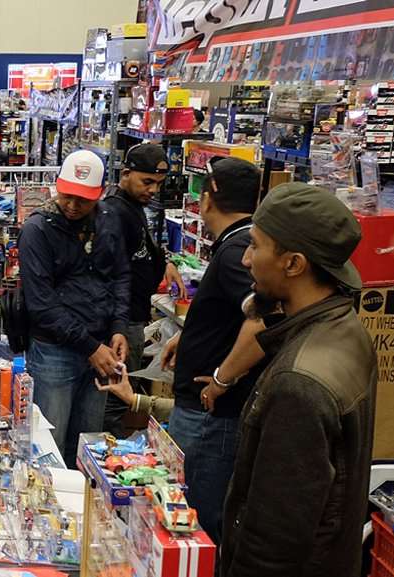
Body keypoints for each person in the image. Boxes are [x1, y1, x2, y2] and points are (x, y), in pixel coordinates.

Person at [219, 183, 376, 577]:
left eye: (255, 246)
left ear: (293, 264)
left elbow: (273, 543)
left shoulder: (299, 383)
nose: (246, 260)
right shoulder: (345, 327)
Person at [157, 157, 266, 544]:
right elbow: (233, 316)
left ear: (206, 200)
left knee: (195, 525)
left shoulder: (238, 250)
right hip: (207, 414)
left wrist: (222, 378)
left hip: (211, 418)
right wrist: (187, 337)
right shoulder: (239, 244)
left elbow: (261, 320)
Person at [20, 150, 129, 467]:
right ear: (57, 185)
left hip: (101, 349)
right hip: (55, 352)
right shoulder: (37, 229)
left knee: (89, 449)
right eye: (67, 195)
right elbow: (42, 304)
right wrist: (90, 346)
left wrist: (119, 327)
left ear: (100, 193)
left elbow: (120, 275)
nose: (72, 205)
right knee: (49, 451)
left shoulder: (109, 219)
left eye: (83, 199)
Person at [101, 143, 185, 436]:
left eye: (158, 184)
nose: (153, 190)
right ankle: (108, 451)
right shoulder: (114, 212)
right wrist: (118, 326)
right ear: (126, 173)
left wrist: (163, 261)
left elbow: (138, 254)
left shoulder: (132, 207)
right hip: (122, 322)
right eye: (147, 181)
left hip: (131, 317)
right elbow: (112, 275)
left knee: (119, 396)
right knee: (116, 399)